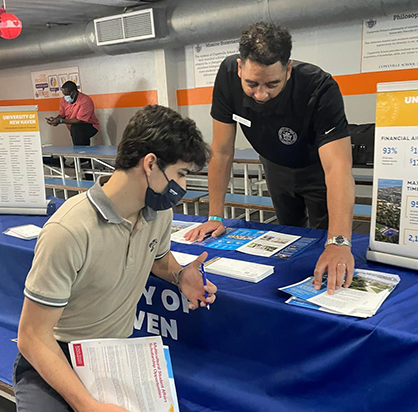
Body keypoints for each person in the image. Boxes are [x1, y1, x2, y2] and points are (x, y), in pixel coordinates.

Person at [14, 105, 217, 412]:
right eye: (181, 174)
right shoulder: (68, 231)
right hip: (56, 356)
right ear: (150, 164)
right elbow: (32, 337)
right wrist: (87, 405)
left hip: (113, 355)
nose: (183, 187)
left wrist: (179, 275)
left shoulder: (159, 214)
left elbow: (156, 258)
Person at [185, 22, 355, 295]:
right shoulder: (228, 76)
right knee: (287, 235)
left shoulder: (319, 87)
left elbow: (338, 167)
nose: (261, 94)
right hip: (274, 164)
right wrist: (215, 215)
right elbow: (222, 150)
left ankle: (327, 287)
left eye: (272, 84)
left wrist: (338, 242)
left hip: (317, 169)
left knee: (325, 242)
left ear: (288, 69)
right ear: (240, 68)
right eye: (251, 83)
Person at [46, 81, 99, 147]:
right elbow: (61, 115)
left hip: (90, 126)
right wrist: (55, 120)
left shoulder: (85, 100)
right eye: (64, 94)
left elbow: (79, 120)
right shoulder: (63, 100)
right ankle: (80, 155)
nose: (65, 97)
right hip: (73, 128)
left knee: (76, 128)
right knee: (75, 130)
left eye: (67, 94)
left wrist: (60, 121)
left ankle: (81, 155)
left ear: (73, 92)